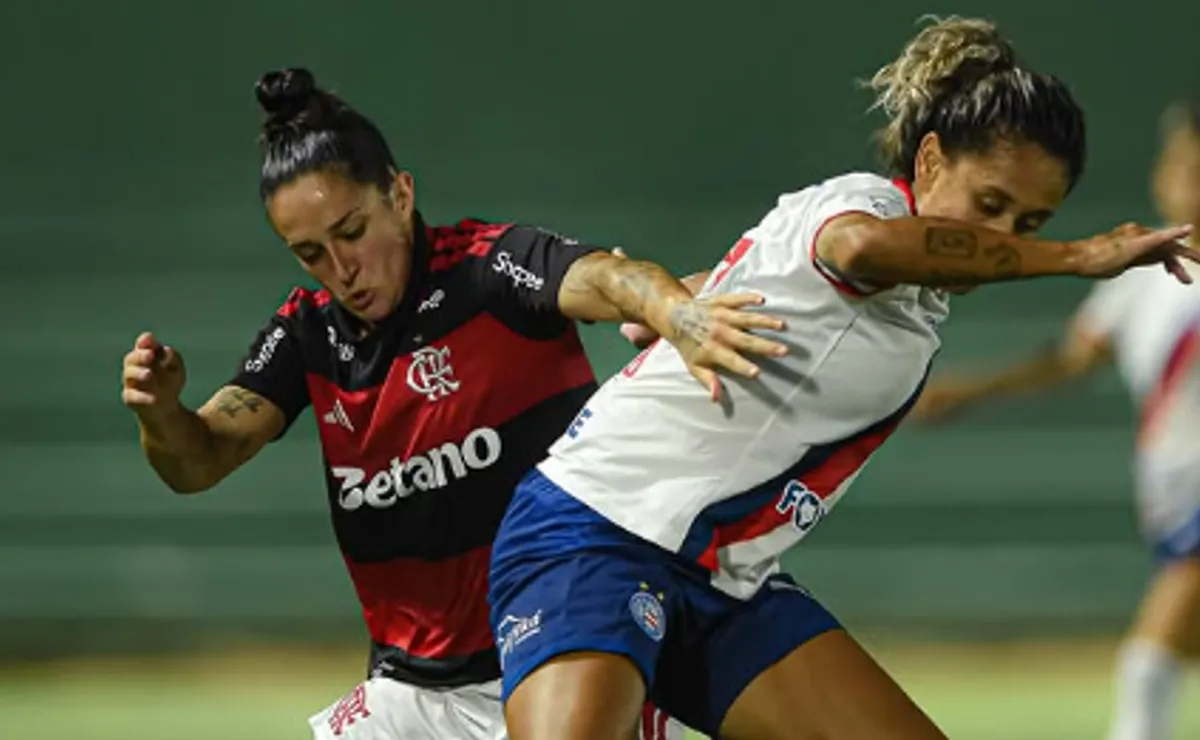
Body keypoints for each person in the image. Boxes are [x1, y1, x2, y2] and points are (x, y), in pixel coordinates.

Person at [486, 16, 1200, 740]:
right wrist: (1075, 255)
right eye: (989, 206)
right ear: (927, 163)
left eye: (1031, 219)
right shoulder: (863, 206)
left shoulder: (915, 303)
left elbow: (767, 279)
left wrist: (682, 303)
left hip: (719, 581)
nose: (1005, 238)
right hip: (596, 530)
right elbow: (859, 247)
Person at [118, 67, 778, 740]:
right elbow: (198, 461)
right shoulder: (306, 334)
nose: (341, 268)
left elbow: (611, 279)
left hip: (562, 660)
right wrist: (161, 413)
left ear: (400, 196)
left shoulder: (492, 269)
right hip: (409, 690)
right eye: (311, 253)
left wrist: (681, 317)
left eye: (352, 231)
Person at [910, 99, 1200, 740]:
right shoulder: (1142, 278)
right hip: (1172, 500)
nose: (1178, 176)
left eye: (1192, 163)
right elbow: (1068, 360)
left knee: (1147, 668)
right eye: (1176, 161)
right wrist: (968, 390)